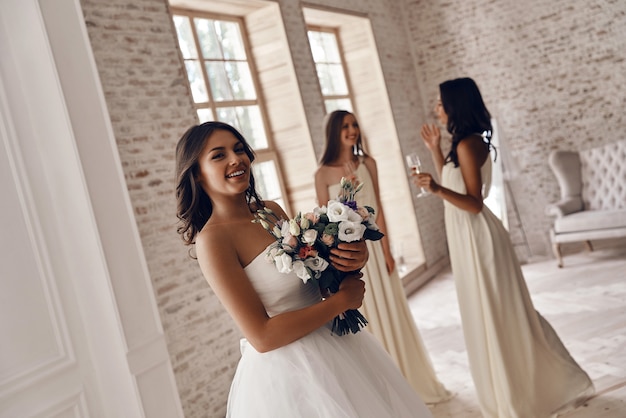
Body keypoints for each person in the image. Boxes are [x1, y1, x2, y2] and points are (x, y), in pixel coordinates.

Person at [175, 121, 433, 417]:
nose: (236, 159)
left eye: (238, 149)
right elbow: (262, 336)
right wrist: (340, 302)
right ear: (197, 172)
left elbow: (314, 279)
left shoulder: (269, 210)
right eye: (218, 155)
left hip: (337, 345)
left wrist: (350, 262)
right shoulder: (213, 240)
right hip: (291, 370)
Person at [413, 77, 595, 418]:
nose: (436, 108)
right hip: (465, 238)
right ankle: (511, 388)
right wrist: (435, 151)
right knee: (485, 314)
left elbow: (473, 203)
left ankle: (529, 391)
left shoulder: (469, 144)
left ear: (455, 105)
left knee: (500, 315)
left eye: (440, 102)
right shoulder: (460, 144)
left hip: (479, 239)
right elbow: (455, 186)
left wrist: (435, 189)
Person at [314, 110, 451, 404]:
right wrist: (348, 187)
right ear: (334, 132)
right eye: (345, 126)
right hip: (347, 259)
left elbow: (378, 210)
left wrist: (387, 252)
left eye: (354, 124)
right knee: (368, 318)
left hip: (374, 252)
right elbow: (326, 224)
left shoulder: (368, 163)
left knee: (391, 310)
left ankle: (407, 381)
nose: (352, 130)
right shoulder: (323, 174)